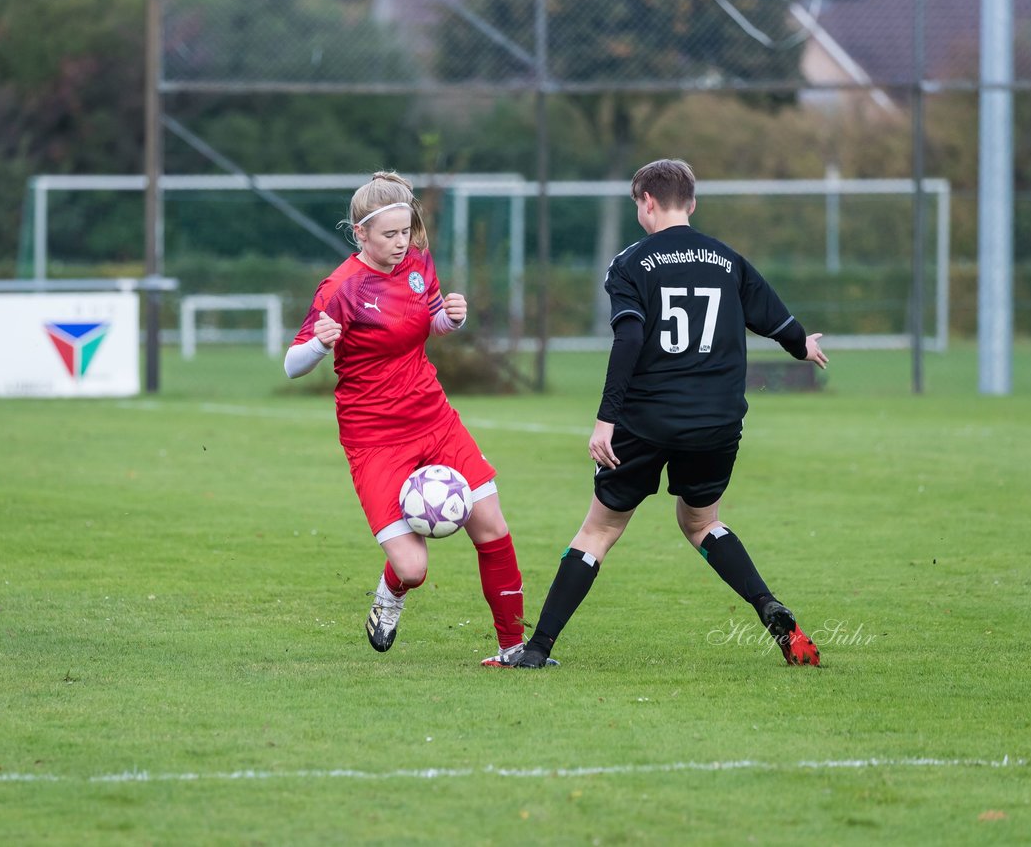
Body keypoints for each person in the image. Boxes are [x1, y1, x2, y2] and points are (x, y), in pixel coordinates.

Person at [515, 158, 828, 669]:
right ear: (694, 202)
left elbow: (630, 336)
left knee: (600, 530)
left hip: (648, 419)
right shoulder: (727, 259)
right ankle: (767, 605)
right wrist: (801, 345)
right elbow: (775, 316)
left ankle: (537, 648)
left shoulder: (631, 262)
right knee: (702, 521)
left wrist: (605, 418)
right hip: (718, 420)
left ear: (647, 203)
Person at [284, 171, 550, 668]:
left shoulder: (416, 263)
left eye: (406, 232)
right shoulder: (340, 287)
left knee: (491, 526)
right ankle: (390, 595)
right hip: (374, 437)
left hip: (433, 416)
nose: (401, 243)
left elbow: (427, 322)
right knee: (413, 566)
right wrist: (320, 344)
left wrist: (452, 318)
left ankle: (513, 649)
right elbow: (291, 364)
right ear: (359, 233)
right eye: (389, 235)